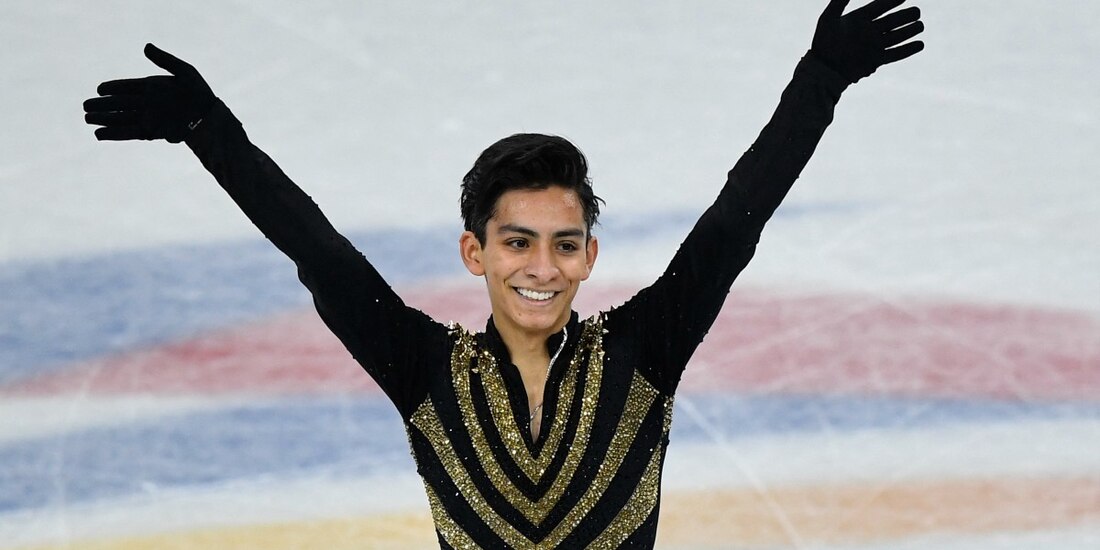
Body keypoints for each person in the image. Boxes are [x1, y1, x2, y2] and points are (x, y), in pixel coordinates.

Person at [83, 0, 924, 547]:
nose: (541, 267)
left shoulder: (643, 350)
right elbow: (320, 255)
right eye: (516, 242)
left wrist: (820, 83)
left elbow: (735, 222)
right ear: (474, 254)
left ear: (590, 257)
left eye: (564, 244)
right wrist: (209, 131)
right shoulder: (424, 369)